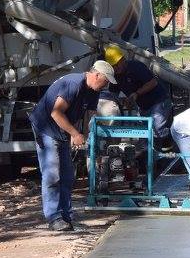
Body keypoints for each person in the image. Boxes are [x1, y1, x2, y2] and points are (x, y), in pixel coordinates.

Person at [28, 61, 115, 231]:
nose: (106, 85)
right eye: (105, 81)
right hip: (46, 127)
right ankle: (54, 217)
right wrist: (75, 134)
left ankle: (66, 215)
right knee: (52, 174)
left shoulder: (94, 90)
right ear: (96, 75)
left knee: (68, 175)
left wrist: (84, 134)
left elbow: (88, 113)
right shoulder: (73, 84)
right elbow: (56, 112)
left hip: (63, 129)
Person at [103, 45, 173, 146]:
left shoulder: (136, 67)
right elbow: (113, 94)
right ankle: (146, 156)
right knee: (144, 134)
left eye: (117, 64)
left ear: (123, 60)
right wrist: (122, 102)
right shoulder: (115, 76)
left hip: (159, 101)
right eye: (113, 66)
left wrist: (137, 93)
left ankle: (165, 153)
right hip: (143, 106)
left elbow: (153, 82)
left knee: (157, 130)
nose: (116, 68)